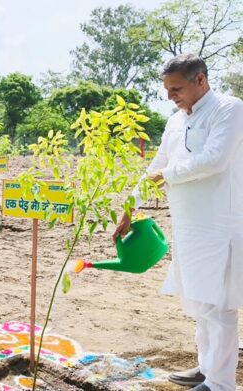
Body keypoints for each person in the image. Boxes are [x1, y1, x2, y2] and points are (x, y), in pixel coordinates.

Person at [113, 54, 243, 391]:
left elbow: (214, 160)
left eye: (177, 88)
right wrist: (130, 208)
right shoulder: (175, 121)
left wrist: (165, 175)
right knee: (200, 303)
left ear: (201, 80)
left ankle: (220, 384)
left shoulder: (230, 109)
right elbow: (156, 165)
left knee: (219, 306)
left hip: (220, 227)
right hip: (187, 227)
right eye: (167, 90)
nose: (171, 96)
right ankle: (206, 368)